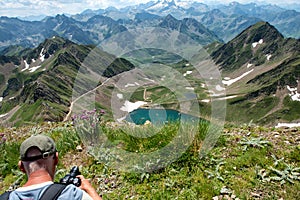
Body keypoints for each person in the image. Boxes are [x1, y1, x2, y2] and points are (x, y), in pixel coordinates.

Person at [7, 134, 102, 200]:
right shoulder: (70, 194)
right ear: (56, 159)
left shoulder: (5, 198)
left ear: (21, 167)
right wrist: (89, 189)